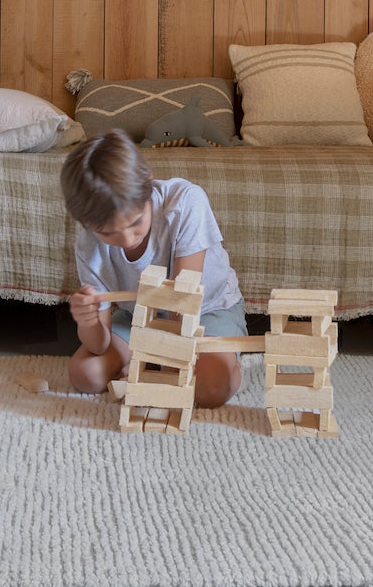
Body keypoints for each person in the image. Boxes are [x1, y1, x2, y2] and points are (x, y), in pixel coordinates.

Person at [60, 129, 245, 407]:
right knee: (85, 375)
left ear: (149, 185)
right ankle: (151, 363)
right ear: (87, 224)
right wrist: (88, 321)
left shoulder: (185, 201)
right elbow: (97, 345)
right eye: (107, 233)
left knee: (208, 388)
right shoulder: (88, 247)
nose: (126, 239)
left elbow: (181, 307)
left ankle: (230, 366)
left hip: (206, 311)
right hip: (139, 317)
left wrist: (162, 371)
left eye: (135, 223)